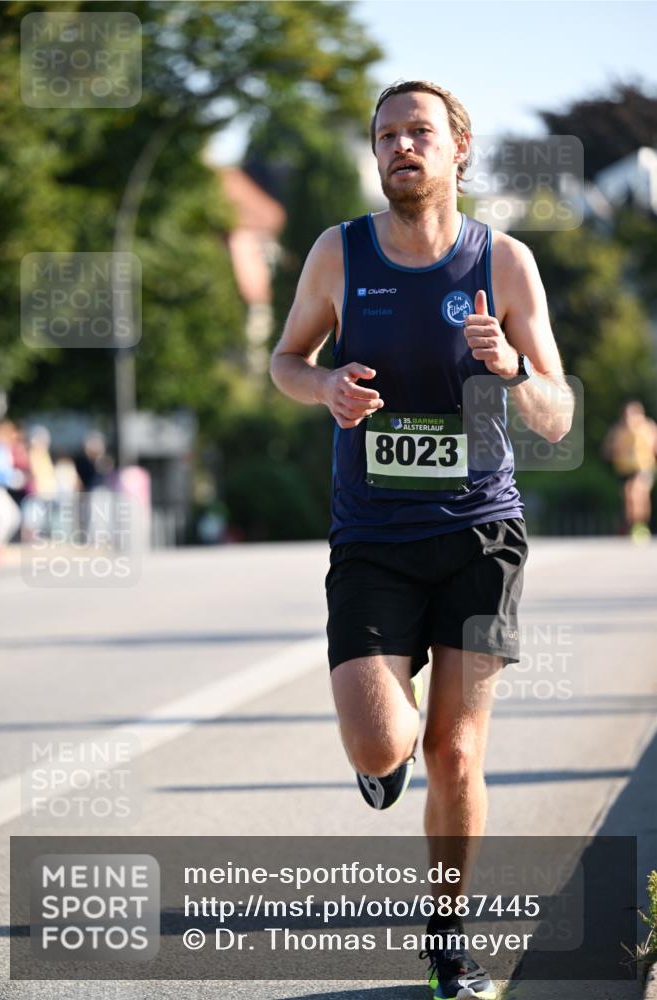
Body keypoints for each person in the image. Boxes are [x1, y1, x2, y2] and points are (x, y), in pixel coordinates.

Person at [270, 80, 574, 1000]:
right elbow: (286, 359)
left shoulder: (505, 263)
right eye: (387, 135)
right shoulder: (339, 253)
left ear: (459, 148)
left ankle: (447, 940)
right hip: (371, 536)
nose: (403, 146)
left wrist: (511, 368)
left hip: (480, 535)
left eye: (420, 133)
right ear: (375, 154)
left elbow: (556, 417)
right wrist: (322, 390)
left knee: (456, 754)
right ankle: (381, 759)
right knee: (379, 744)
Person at [603, 400, 657, 542]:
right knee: (629, 498)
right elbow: (607, 449)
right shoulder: (618, 430)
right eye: (628, 415)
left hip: (644, 467)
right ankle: (633, 524)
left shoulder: (648, 428)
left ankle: (641, 525)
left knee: (637, 493)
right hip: (624, 469)